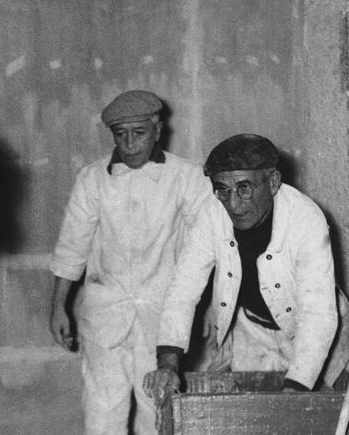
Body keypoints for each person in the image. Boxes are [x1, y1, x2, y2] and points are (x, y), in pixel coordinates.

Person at [49, 90, 214, 435]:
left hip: (164, 320)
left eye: (138, 133)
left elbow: (209, 249)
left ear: (158, 129)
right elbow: (72, 248)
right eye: (120, 135)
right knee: (102, 416)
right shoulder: (92, 180)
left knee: (156, 415)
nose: (129, 143)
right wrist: (58, 307)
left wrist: (214, 310)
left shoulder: (187, 177)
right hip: (104, 315)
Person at [143, 133, 349, 406]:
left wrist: (297, 388)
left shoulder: (307, 219)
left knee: (319, 426)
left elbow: (319, 316)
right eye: (222, 190)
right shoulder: (210, 214)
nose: (233, 204)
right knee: (255, 424)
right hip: (253, 332)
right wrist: (168, 363)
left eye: (244, 188)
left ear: (273, 182)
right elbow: (184, 287)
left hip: (321, 334)